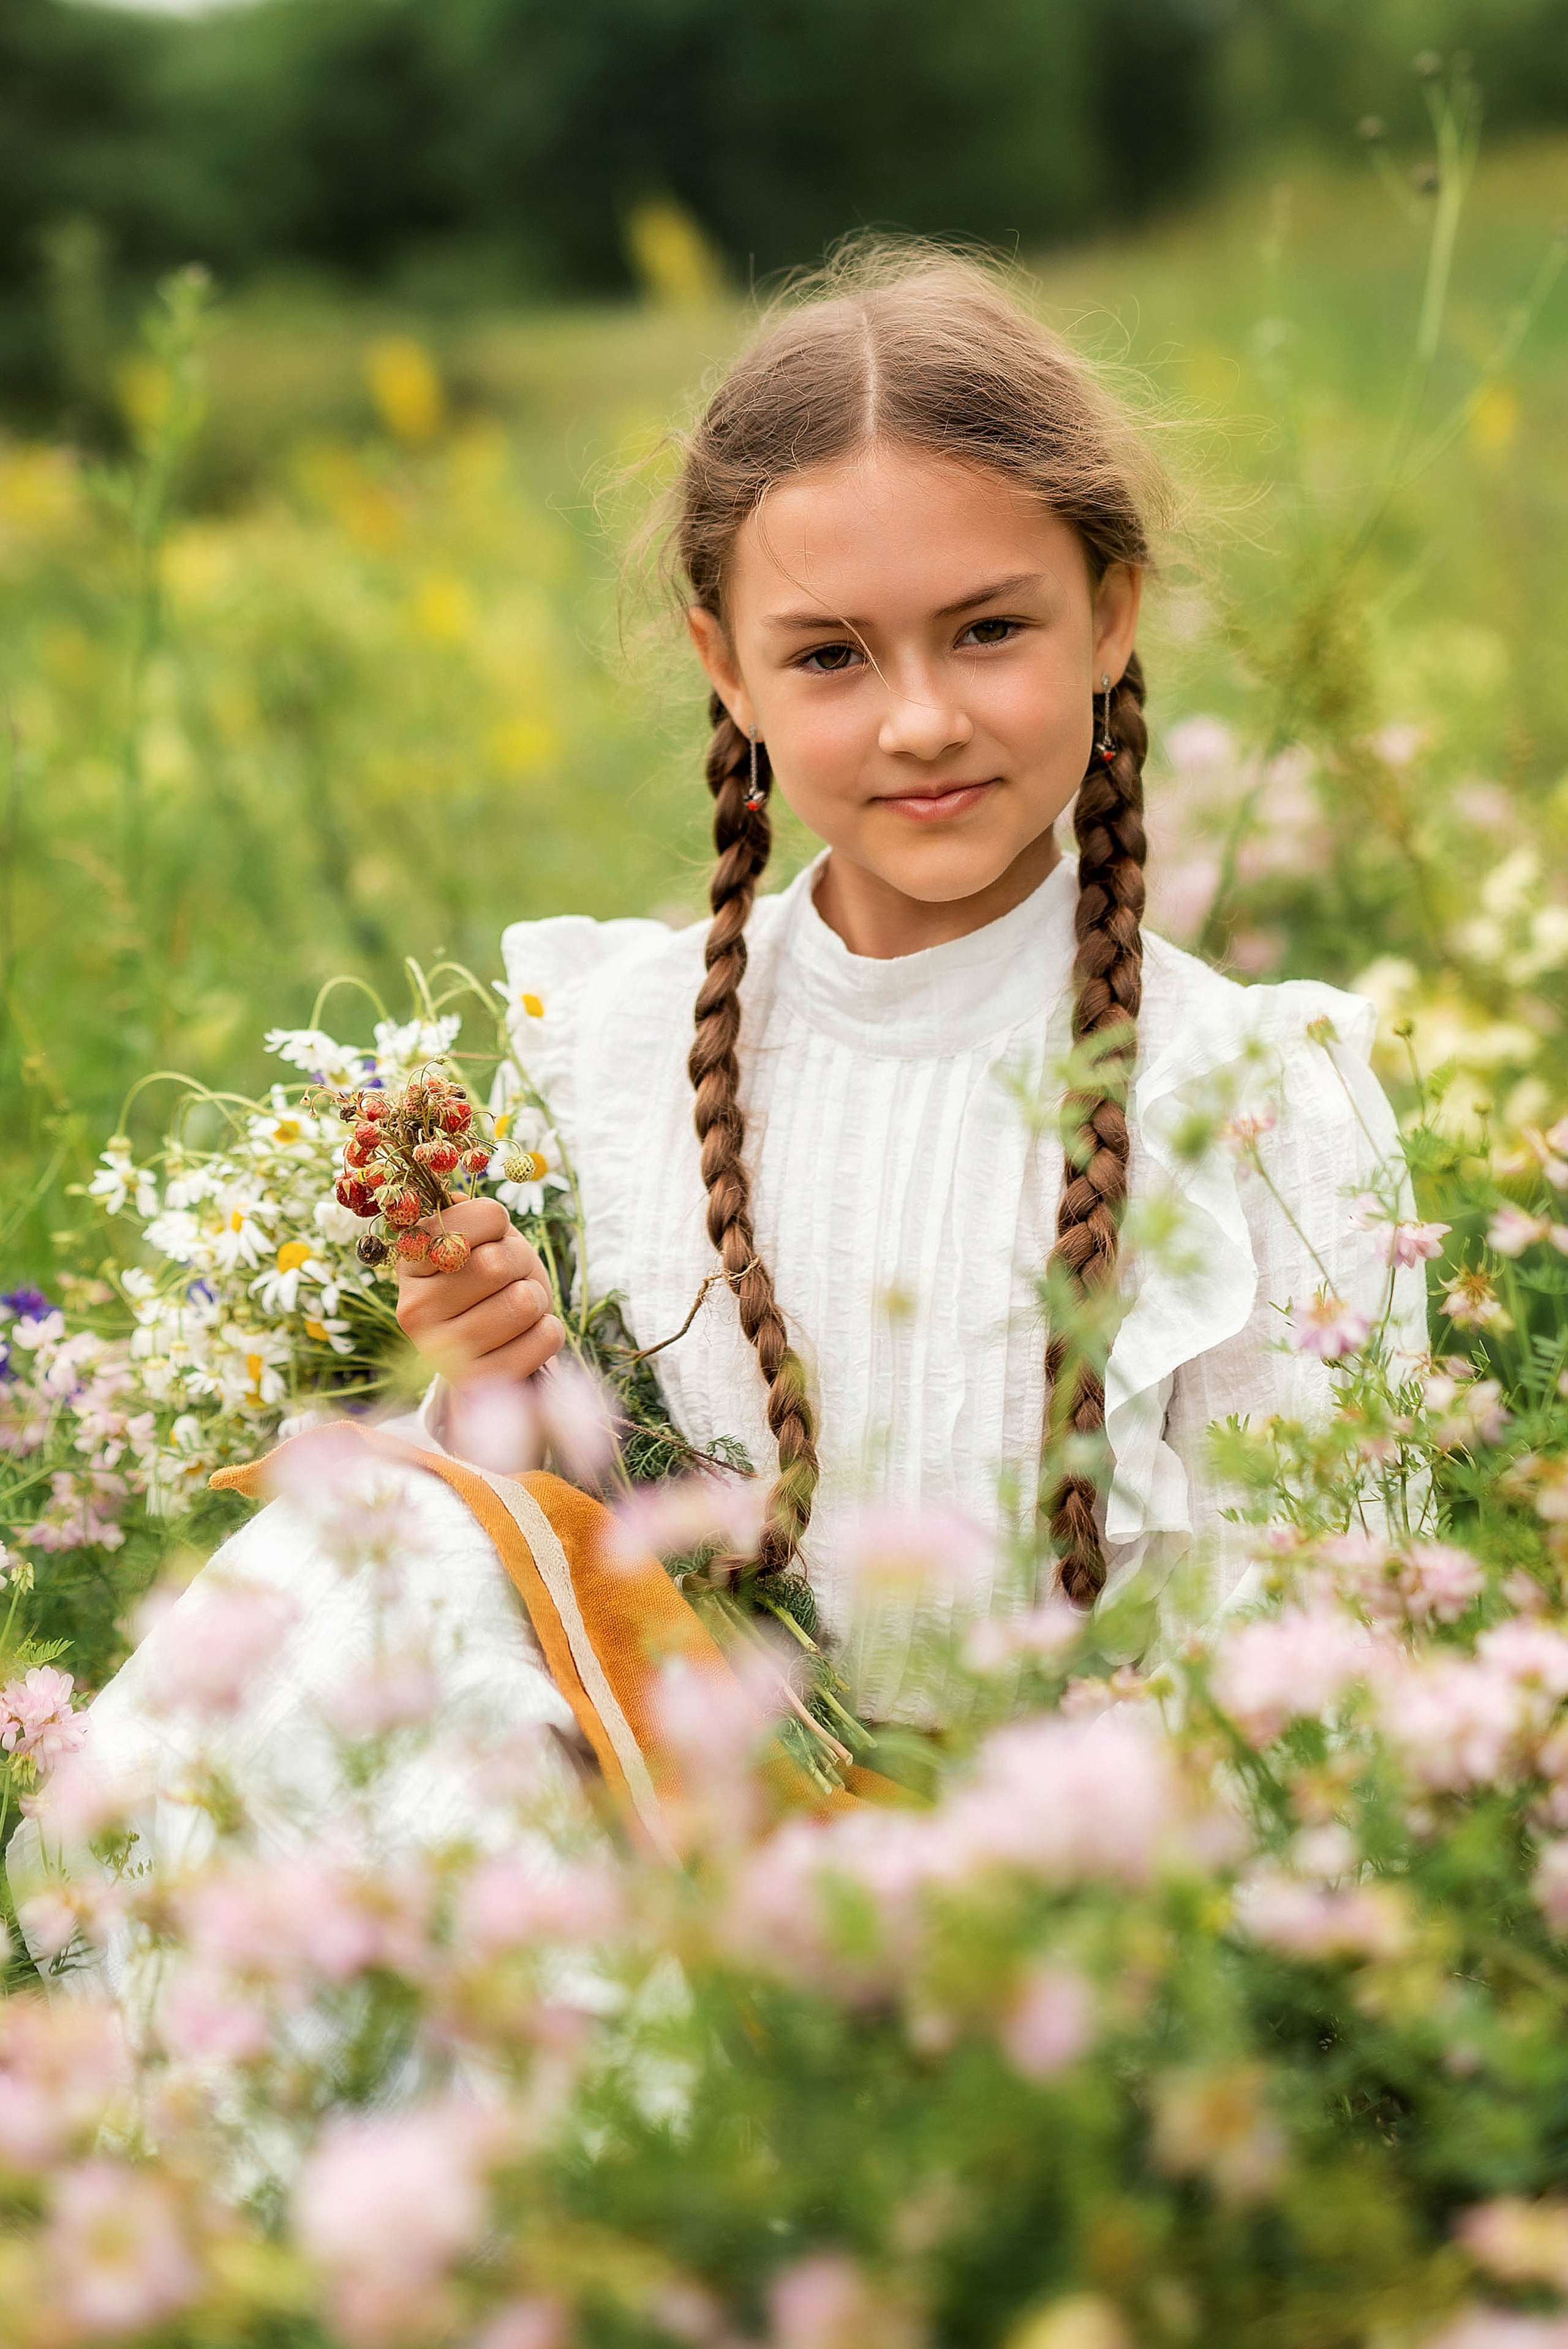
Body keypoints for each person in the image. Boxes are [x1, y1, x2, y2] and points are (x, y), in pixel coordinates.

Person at [12, 246, 1427, 1956]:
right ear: (726, 667)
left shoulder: (1255, 1094)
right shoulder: (611, 1042)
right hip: (656, 1895)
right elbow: (581, 1580)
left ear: (1112, 608)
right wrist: (501, 1380)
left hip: (1081, 1953)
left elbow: (1334, 1658)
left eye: (989, 629)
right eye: (830, 656)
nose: (919, 718)